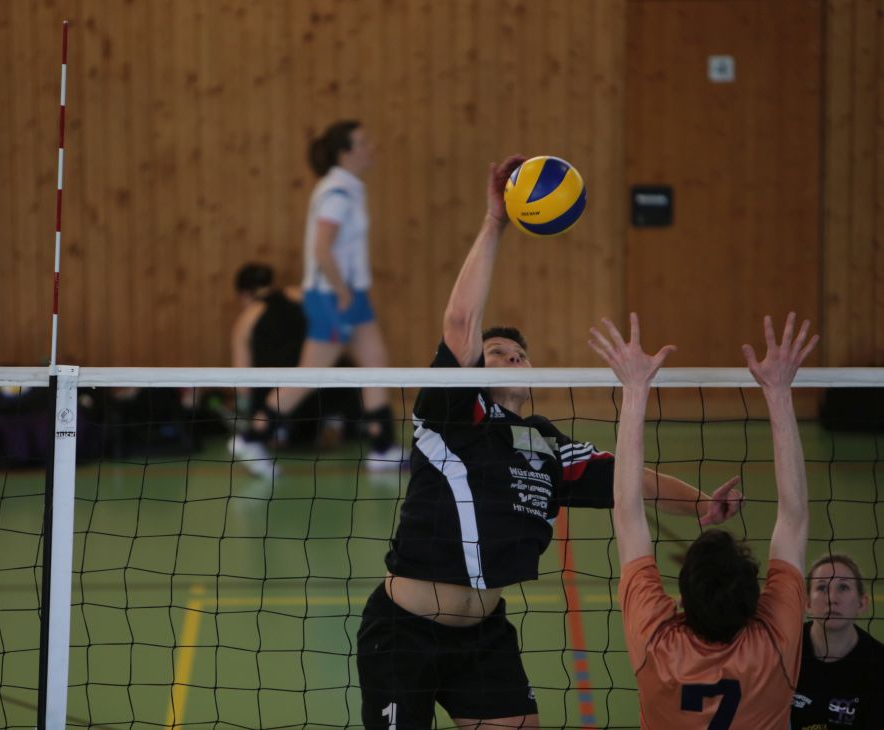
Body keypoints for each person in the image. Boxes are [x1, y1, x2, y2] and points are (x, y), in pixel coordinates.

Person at [354, 155, 744, 729]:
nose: (512, 358)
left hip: (483, 639)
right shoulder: (451, 414)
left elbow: (629, 480)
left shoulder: (546, 445)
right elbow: (461, 323)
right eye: (497, 353)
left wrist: (701, 505)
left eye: (520, 354)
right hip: (403, 636)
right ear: (474, 370)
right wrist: (496, 222)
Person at [593, 311, 818, 728]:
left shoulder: (658, 645)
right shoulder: (774, 643)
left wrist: (634, 389)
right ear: (755, 602)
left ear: (681, 601)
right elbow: (795, 517)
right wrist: (780, 392)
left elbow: (625, 509)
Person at [228, 120, 402, 476]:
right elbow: (322, 248)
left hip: (352, 293)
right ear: (345, 152)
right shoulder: (336, 193)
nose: (371, 147)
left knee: (375, 361)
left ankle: (383, 447)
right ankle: (251, 436)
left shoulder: (350, 188)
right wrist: (341, 291)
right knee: (312, 374)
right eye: (363, 142)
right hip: (331, 296)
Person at [229, 262, 350, 455]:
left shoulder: (245, 320)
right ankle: (332, 423)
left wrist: (244, 415)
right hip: (321, 396)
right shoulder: (302, 296)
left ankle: (278, 430)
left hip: (277, 404)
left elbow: (242, 384)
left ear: (243, 294)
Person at [791, 553, 884, 729]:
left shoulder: (878, 664)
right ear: (807, 603)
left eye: (843, 587)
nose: (832, 598)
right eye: (822, 588)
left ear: (862, 604)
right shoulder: (782, 650)